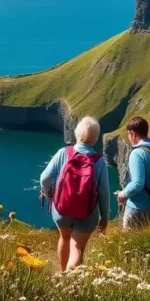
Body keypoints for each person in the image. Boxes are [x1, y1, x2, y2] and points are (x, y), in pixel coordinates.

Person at [39, 116, 110, 271]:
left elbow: (44, 178)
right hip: (87, 212)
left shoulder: (63, 153)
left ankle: (62, 274)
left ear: (77, 133)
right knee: (77, 247)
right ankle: (69, 280)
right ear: (96, 138)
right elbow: (103, 192)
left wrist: (49, 194)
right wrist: (104, 216)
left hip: (61, 209)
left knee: (64, 238)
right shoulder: (99, 161)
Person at [116, 116, 150, 230]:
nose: (128, 137)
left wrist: (123, 194)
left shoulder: (137, 154)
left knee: (129, 243)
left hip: (138, 207)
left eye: (128, 134)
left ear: (133, 134)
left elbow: (138, 183)